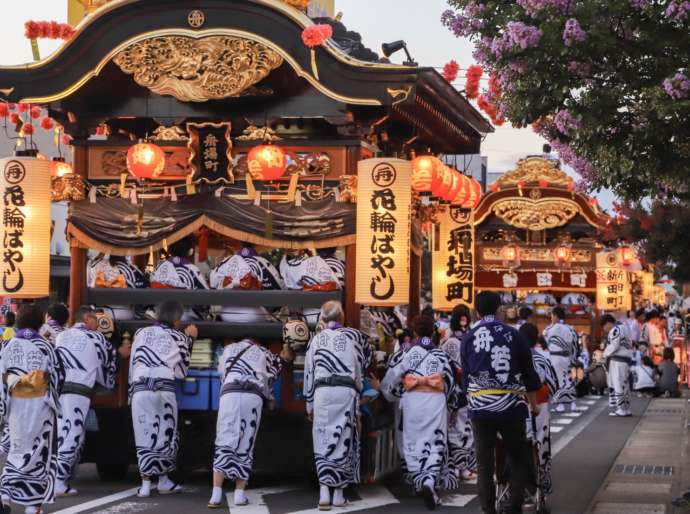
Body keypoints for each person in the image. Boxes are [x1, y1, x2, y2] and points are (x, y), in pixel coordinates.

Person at [460, 291, 541, 514]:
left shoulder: (469, 337)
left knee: (484, 463)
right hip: (511, 407)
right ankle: (513, 505)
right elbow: (529, 375)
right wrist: (533, 406)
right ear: (499, 309)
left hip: (480, 407)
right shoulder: (514, 335)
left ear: (476, 312)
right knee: (518, 456)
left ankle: (488, 510)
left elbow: (466, 377)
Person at [382, 315, 459, 509]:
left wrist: (391, 393)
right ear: (433, 332)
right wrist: (452, 406)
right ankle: (429, 481)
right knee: (436, 441)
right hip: (435, 401)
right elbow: (450, 384)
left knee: (412, 442)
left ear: (414, 333)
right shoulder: (441, 355)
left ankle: (419, 479)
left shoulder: (405, 354)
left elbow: (392, 380)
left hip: (413, 401)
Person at [303, 301, 371, 510]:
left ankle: (324, 493)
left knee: (322, 437)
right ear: (342, 317)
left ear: (323, 319)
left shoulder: (316, 340)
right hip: (346, 391)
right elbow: (362, 366)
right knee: (343, 439)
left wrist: (309, 404)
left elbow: (309, 372)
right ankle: (339, 494)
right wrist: (358, 390)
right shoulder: (354, 337)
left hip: (322, 392)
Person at [208, 339, 292, 508]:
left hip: (229, 394)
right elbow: (274, 371)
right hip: (252, 396)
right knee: (246, 443)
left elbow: (222, 374)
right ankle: (239, 495)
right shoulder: (263, 352)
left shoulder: (228, 349)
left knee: (224, 441)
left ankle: (215, 495)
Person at [129, 301, 198, 497]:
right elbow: (182, 372)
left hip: (140, 387)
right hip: (163, 387)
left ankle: (144, 484)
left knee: (143, 435)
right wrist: (190, 339)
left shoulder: (140, 333)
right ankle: (164, 480)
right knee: (165, 434)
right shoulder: (179, 336)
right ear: (177, 320)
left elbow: (133, 363)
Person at [0, 304, 63, 514]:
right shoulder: (46, 345)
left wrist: (3, 405)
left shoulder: (8, 344)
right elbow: (58, 376)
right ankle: (32, 506)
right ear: (39, 323)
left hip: (16, 403)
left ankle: (4, 496)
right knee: (38, 452)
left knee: (17, 449)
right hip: (39, 405)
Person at [54, 306, 118, 496]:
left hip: (59, 390)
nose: (98, 324)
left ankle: (58, 478)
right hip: (78, 391)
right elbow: (108, 362)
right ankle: (58, 481)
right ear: (88, 318)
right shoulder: (96, 338)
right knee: (73, 434)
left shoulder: (62, 336)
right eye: (96, 319)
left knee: (63, 434)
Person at [519, 323, 559, 501]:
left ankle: (515, 483)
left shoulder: (513, 358)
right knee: (541, 444)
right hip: (539, 406)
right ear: (536, 339)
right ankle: (542, 482)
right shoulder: (542, 358)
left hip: (516, 406)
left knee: (517, 445)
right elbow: (554, 385)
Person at [440, 305, 477, 482]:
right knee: (461, 428)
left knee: (458, 428)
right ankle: (458, 467)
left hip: (453, 390)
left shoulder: (448, 339)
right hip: (463, 389)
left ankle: (457, 466)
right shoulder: (463, 339)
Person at [544, 306, 580, 413]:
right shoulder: (571, 328)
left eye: (552, 315)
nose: (551, 317)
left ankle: (561, 406)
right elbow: (575, 345)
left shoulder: (551, 328)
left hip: (555, 357)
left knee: (558, 381)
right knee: (569, 380)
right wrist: (574, 358)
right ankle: (573, 405)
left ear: (555, 316)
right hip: (567, 357)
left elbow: (545, 337)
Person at [601, 314, 633, 417]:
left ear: (608, 323)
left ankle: (621, 409)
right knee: (625, 385)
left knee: (618, 383)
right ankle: (626, 408)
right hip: (625, 360)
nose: (604, 329)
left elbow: (614, 345)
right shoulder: (624, 327)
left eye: (604, 326)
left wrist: (604, 354)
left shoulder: (616, 329)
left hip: (618, 361)